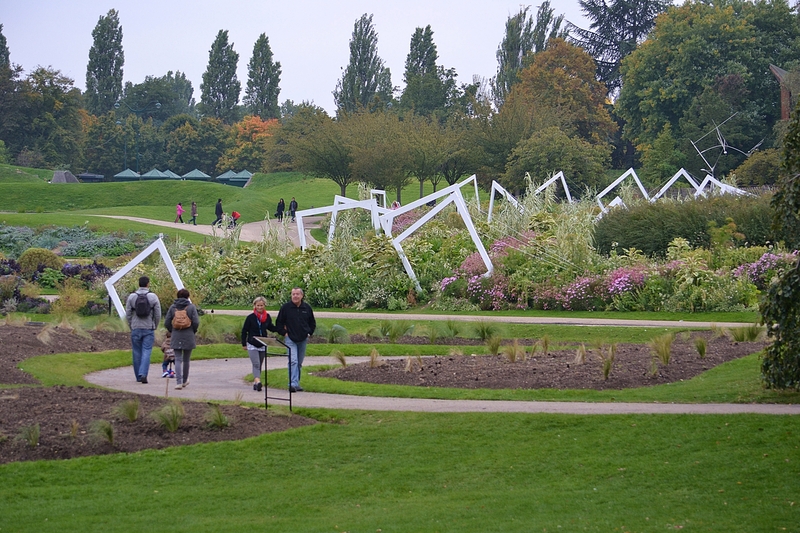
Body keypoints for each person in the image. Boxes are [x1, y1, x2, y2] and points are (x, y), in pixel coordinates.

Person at [275, 287, 316, 392]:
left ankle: (296, 383)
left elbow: (312, 323)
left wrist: (309, 333)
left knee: (299, 363)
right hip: (290, 339)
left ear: (302, 296)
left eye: (297, 294)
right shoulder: (286, 308)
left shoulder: (306, 308)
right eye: (293, 294)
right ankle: (292, 384)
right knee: (293, 361)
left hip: (303, 339)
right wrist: (284, 333)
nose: (295, 296)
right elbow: (279, 323)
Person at [125, 276, 161, 384]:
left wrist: (131, 324)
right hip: (148, 327)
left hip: (136, 327)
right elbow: (158, 314)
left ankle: (138, 376)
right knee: (146, 351)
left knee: (136, 352)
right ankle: (143, 374)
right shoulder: (153, 297)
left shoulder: (132, 297)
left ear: (138, 284)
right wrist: (155, 325)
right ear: (148, 284)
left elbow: (128, 313)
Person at [164, 287, 200, 390]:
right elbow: (196, 322)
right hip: (188, 334)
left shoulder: (173, 307)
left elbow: (166, 322)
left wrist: (172, 330)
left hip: (176, 334)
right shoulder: (191, 307)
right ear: (188, 297)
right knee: (186, 360)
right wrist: (193, 330)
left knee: (178, 359)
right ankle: (184, 381)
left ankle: (178, 382)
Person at [241, 296, 277, 392]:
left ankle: (255, 383)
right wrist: (243, 344)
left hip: (262, 344)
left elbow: (271, 327)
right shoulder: (250, 318)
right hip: (252, 344)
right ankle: (258, 381)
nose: (260, 307)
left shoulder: (267, 317)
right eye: (258, 305)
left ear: (264, 305)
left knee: (260, 364)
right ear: (255, 306)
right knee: (256, 363)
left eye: (261, 305)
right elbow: (244, 331)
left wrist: (282, 329)